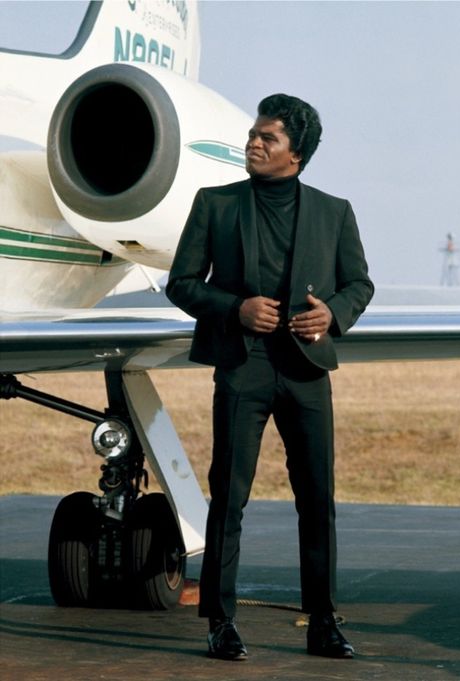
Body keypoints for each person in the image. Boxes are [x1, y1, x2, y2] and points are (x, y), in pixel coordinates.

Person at [166, 93, 374, 661]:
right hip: (243, 366)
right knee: (228, 497)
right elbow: (182, 283)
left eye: (268, 139)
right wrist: (234, 308)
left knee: (317, 498)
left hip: (307, 371)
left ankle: (324, 622)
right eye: (254, 135)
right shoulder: (216, 204)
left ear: (296, 155)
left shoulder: (335, 212)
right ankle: (221, 621)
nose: (254, 144)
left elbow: (359, 285)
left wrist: (332, 313)